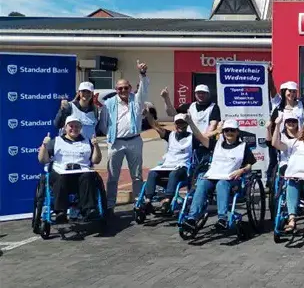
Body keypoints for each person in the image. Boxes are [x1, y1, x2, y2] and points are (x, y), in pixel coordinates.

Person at [182, 119, 256, 230]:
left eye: (232, 130)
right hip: (213, 175)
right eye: (226, 130)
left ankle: (223, 218)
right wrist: (191, 122)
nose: (229, 133)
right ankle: (192, 218)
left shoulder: (243, 147)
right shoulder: (216, 144)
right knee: (202, 184)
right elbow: (200, 137)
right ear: (223, 132)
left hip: (230, 178)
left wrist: (241, 171)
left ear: (237, 132)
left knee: (221, 184)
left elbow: (249, 165)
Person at [99, 60, 149, 214]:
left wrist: (142, 74)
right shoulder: (109, 104)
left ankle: (138, 202)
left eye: (126, 88)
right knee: (113, 176)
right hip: (116, 143)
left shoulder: (136, 100)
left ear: (130, 88)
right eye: (120, 88)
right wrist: (111, 136)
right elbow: (103, 124)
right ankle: (110, 204)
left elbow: (145, 88)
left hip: (134, 141)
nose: (123, 90)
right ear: (116, 89)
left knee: (137, 175)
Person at [37, 116, 105, 220]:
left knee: (88, 175)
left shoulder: (87, 141)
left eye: (77, 126)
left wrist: (96, 146)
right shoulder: (56, 141)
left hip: (81, 174)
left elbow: (96, 160)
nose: (74, 128)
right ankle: (60, 212)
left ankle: (88, 210)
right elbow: (43, 160)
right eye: (71, 126)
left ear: (80, 128)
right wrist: (44, 146)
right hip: (61, 173)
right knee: (60, 177)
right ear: (65, 128)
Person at [139, 113, 200, 214]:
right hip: (167, 166)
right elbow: (155, 126)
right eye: (178, 123)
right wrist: (148, 114)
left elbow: (202, 137)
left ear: (187, 124)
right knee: (152, 173)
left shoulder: (192, 137)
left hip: (183, 167)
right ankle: (148, 201)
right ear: (175, 125)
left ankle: (167, 201)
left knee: (174, 174)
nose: (181, 126)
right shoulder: (170, 135)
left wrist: (191, 123)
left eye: (183, 123)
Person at [160, 84, 221, 162]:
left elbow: (213, 125)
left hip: (203, 144)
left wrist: (201, 139)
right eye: (198, 93)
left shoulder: (214, 107)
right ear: (195, 94)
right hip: (188, 142)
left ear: (208, 94)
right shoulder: (190, 106)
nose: (201, 95)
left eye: (203, 93)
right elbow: (171, 113)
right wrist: (166, 98)